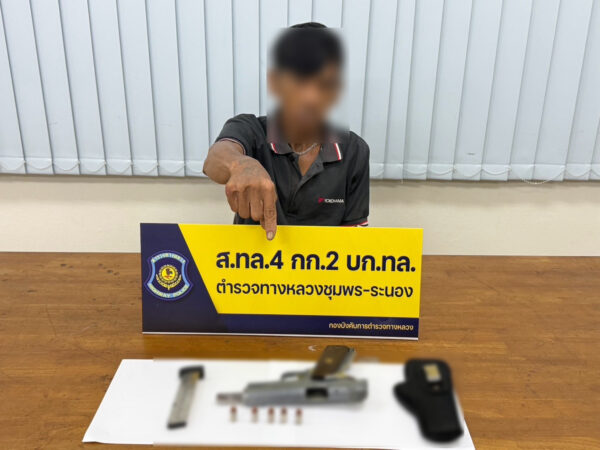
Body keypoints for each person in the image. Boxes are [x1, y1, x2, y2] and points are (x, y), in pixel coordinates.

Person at [203, 22, 370, 240]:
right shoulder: (250, 130)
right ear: (275, 82)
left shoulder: (354, 150)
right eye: (299, 81)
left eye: (324, 83)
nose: (311, 97)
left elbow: (354, 241)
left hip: (323, 262)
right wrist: (240, 165)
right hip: (253, 261)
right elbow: (215, 159)